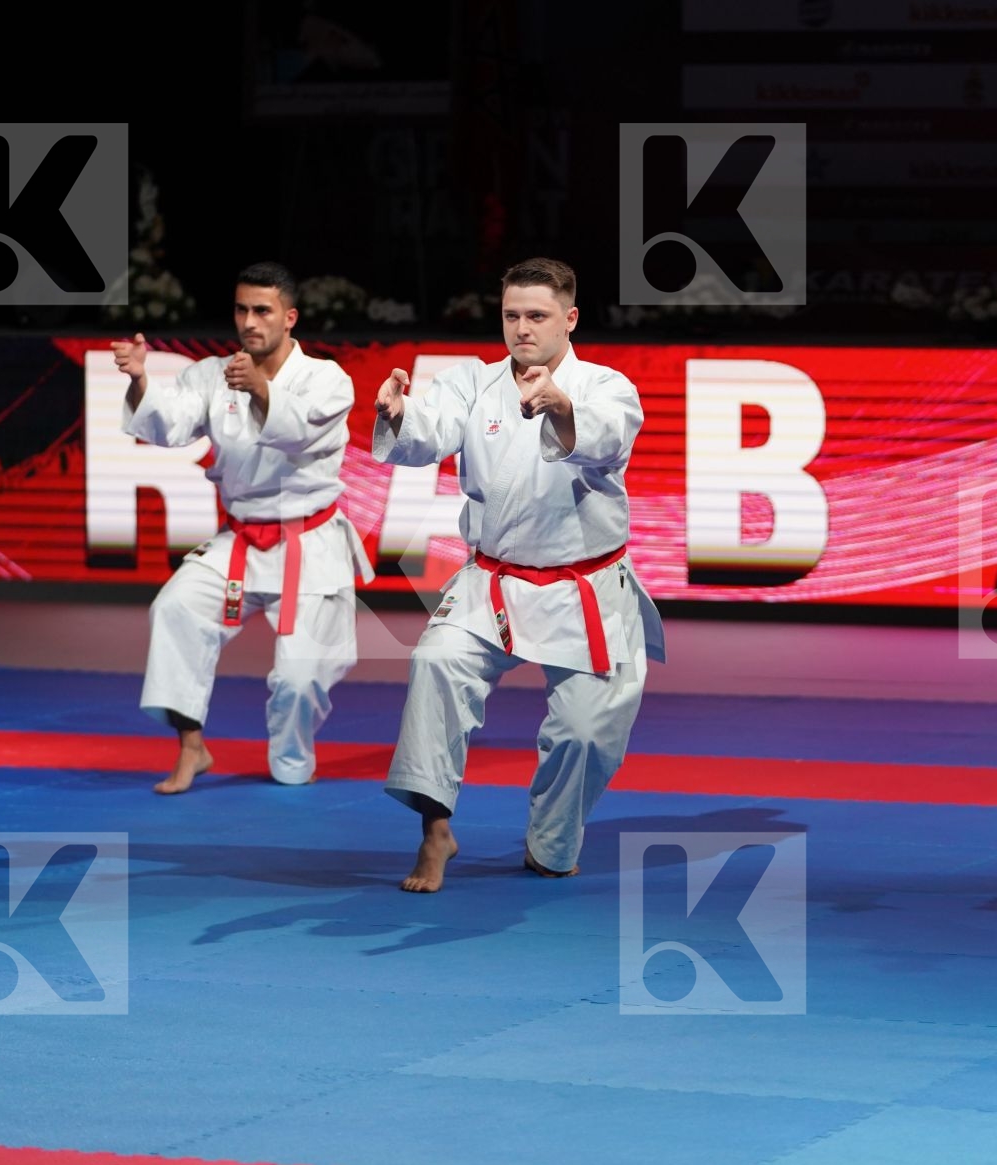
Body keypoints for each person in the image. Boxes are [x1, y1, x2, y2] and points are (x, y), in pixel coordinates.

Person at [371, 256, 665, 891]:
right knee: (435, 665)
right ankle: (435, 831)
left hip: (587, 586)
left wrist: (560, 408)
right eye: (512, 315)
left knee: (586, 733)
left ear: (571, 318)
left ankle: (551, 841)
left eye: (538, 315)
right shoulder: (472, 384)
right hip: (494, 581)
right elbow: (427, 432)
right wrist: (398, 415)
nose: (522, 327)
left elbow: (609, 440)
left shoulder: (607, 387)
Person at [111, 261, 372, 794]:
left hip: (310, 543)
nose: (248, 321)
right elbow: (169, 424)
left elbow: (299, 435)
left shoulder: (327, 379)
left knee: (300, 681)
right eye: (241, 309)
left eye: (262, 310)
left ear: (289, 317)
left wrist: (260, 390)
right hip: (241, 540)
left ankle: (292, 758)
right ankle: (192, 746)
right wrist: (140, 379)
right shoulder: (212, 374)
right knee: (176, 609)